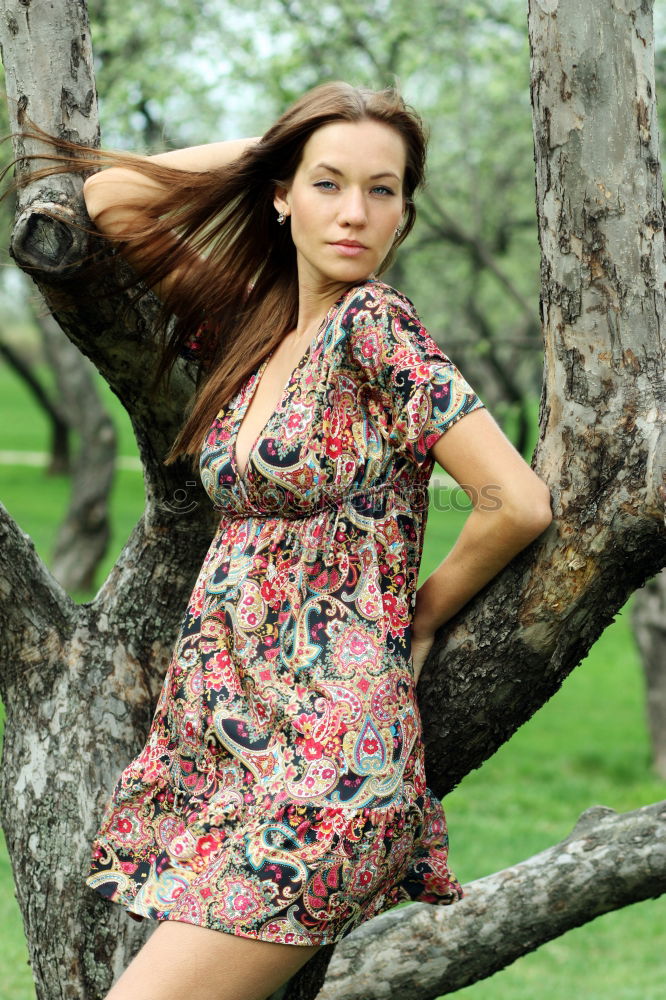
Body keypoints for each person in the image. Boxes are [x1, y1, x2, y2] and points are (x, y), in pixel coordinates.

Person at [28, 81, 552, 999]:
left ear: (406, 214)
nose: (354, 212)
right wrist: (277, 146)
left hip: (327, 773)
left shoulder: (375, 328)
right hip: (236, 760)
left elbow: (513, 500)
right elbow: (105, 204)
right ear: (282, 193)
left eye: (381, 190)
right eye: (327, 183)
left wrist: (414, 618)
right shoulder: (256, 327)